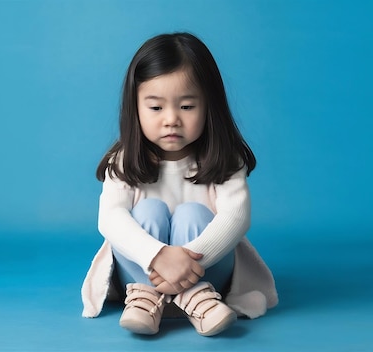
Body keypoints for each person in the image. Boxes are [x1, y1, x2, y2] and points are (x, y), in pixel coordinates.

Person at [81, 32, 278, 337]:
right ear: (135, 108)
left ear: (209, 106)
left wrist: (187, 264)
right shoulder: (123, 160)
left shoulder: (225, 159)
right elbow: (111, 219)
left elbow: (235, 218)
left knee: (194, 215)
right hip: (139, 275)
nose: (171, 119)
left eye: (186, 107)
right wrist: (157, 256)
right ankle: (152, 299)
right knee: (147, 211)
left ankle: (195, 294)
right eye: (156, 108)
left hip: (209, 272)